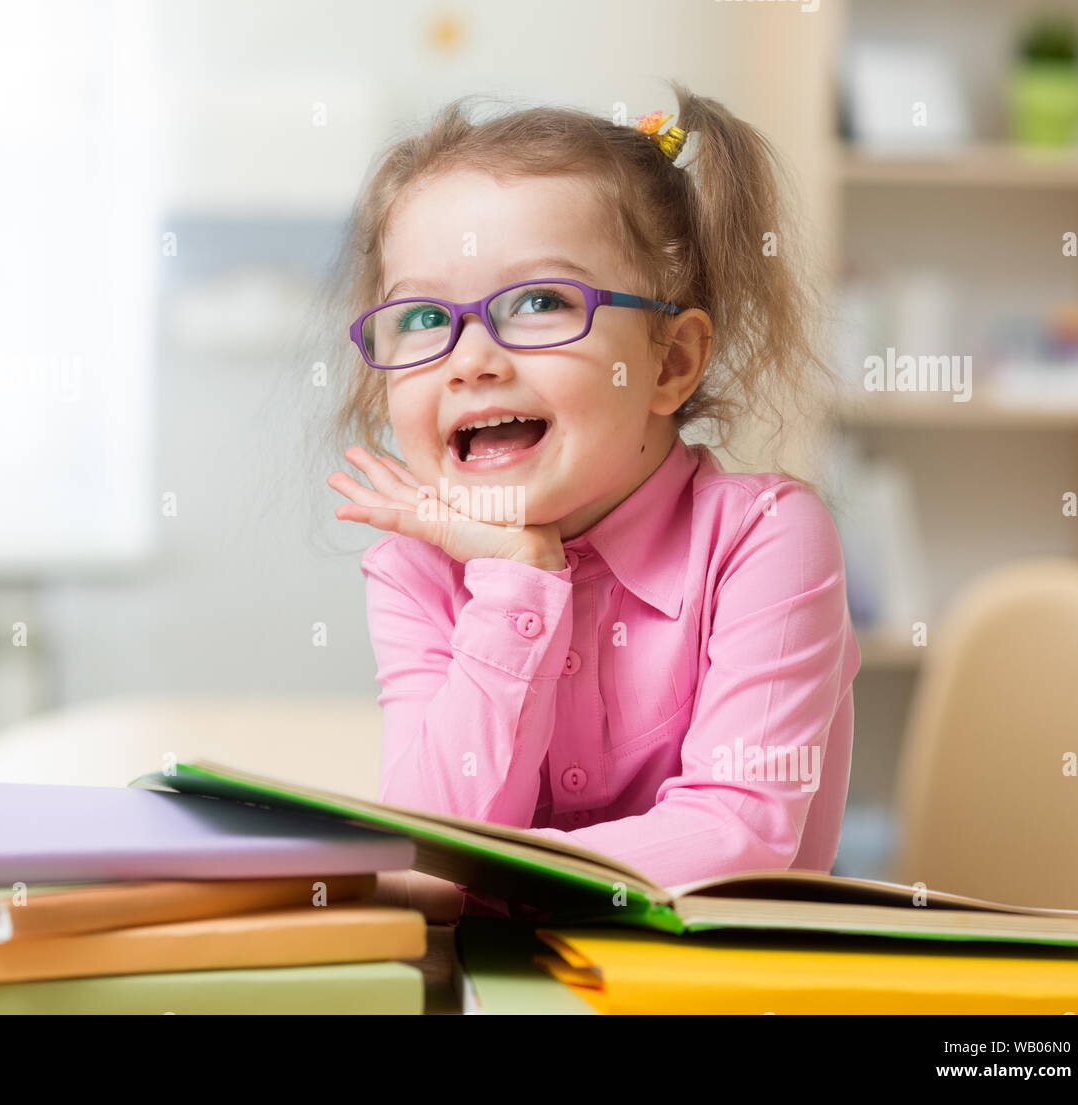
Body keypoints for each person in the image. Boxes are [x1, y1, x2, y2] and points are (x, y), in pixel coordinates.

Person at [326, 80, 860, 918]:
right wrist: (516, 581)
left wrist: (479, 880)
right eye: (424, 316)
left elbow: (737, 836)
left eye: (539, 302)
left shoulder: (766, 537)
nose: (469, 360)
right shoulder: (413, 569)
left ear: (669, 362)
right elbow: (431, 841)